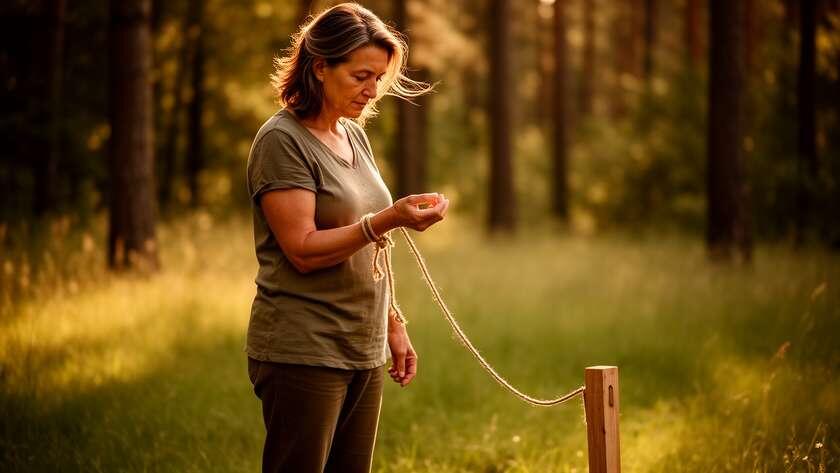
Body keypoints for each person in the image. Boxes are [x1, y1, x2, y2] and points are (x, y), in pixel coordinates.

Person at [244, 3, 449, 472]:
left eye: (379, 78)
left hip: (364, 344)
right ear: (319, 67)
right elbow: (302, 250)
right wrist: (388, 219)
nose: (372, 90)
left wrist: (393, 325)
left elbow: (371, 246)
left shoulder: (354, 135)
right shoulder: (282, 141)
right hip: (305, 348)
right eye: (361, 75)